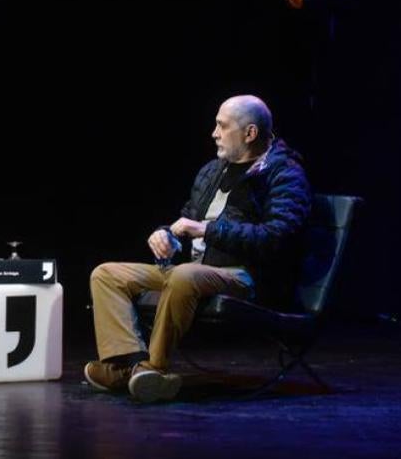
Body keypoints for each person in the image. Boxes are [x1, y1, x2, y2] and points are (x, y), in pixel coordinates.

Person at [84, 95, 310, 402]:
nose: (213, 133)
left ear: (250, 133)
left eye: (222, 126)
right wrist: (166, 236)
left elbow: (276, 237)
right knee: (106, 274)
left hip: (244, 276)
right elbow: (188, 218)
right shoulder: (212, 171)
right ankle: (128, 366)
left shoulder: (284, 174)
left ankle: (155, 368)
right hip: (191, 271)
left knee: (185, 276)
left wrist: (207, 229)